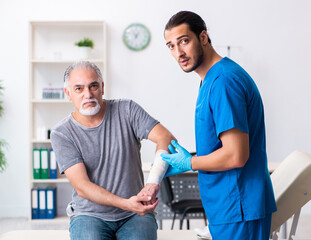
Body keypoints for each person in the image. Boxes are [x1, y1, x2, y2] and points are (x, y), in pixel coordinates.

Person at [161, 11, 277, 240]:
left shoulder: (223, 81)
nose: (178, 53)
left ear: (203, 37)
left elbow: (236, 155)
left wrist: (190, 162)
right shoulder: (209, 80)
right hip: (227, 207)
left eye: (184, 41)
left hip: (239, 206)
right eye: (171, 46)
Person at [50, 61, 175, 240]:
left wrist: (153, 182)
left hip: (135, 212)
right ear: (68, 94)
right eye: (79, 89)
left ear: (102, 87)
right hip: (89, 215)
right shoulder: (62, 133)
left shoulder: (127, 110)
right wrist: (125, 204)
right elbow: (82, 187)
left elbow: (166, 138)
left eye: (93, 86)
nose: (88, 94)